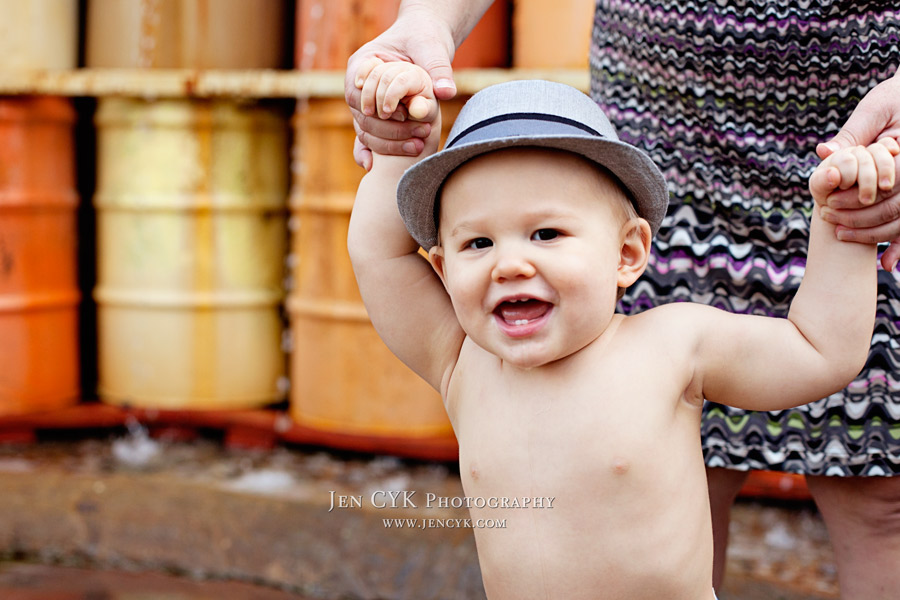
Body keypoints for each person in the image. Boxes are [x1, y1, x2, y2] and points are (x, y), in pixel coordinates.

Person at [344, 3, 900, 597]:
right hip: (653, 66)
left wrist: (844, 223)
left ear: (628, 254)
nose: (510, 264)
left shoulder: (673, 346)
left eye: (547, 234)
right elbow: (380, 255)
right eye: (478, 242)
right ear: (443, 268)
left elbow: (821, 351)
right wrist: (398, 146)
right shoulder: (462, 363)